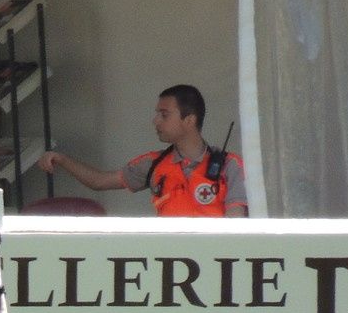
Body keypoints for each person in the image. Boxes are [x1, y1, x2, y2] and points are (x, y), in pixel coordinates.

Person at [37, 84, 248, 218]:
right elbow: (99, 181)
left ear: (189, 120)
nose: (155, 121)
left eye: (164, 115)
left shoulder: (230, 165)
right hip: (168, 262)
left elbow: (236, 221)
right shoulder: (153, 164)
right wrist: (62, 159)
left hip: (218, 262)